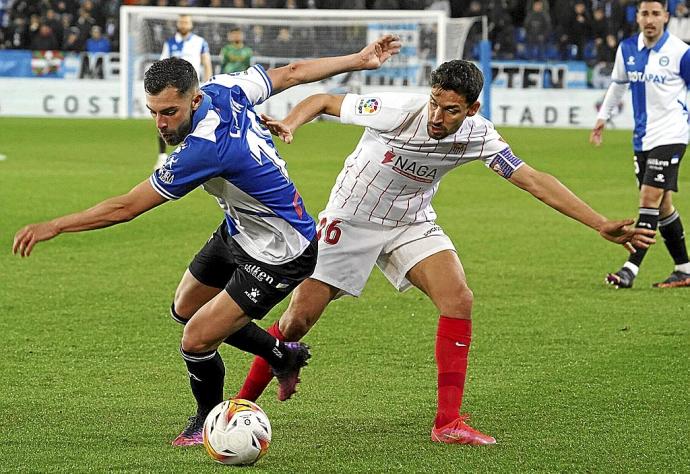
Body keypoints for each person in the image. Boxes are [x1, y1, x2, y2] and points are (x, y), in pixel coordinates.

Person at [234, 59, 657, 446]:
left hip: (411, 222)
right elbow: (323, 99)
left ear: (472, 110)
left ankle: (448, 423)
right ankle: (238, 406)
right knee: (295, 324)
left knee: (458, 298)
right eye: (435, 104)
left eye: (450, 110)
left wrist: (599, 223)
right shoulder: (397, 110)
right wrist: (291, 122)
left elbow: (532, 179)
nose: (437, 117)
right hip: (351, 219)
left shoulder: (479, 134)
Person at [12, 35, 402, 446]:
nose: (161, 124)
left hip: (281, 251)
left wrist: (55, 225)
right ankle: (281, 355)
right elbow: (291, 74)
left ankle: (207, 421)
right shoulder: (225, 88)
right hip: (241, 229)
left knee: (196, 338)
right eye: (153, 112)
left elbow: (126, 207)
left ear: (194, 101)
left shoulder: (204, 149)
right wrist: (359, 59)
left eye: (169, 112)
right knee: (185, 307)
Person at [590, 0, 690, 288]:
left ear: (666, 17)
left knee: (648, 200)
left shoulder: (681, 53)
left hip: (672, 135)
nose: (650, 19)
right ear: (637, 17)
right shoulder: (628, 49)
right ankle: (684, 268)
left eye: (656, 14)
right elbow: (618, 84)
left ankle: (629, 270)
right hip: (643, 138)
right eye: (645, 13)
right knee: (663, 207)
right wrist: (602, 117)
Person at [155, 14, 213, 170]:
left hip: (191, 87)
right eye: (181, 21)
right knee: (164, 119)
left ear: (191, 24)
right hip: (171, 88)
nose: (184, 24)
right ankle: (162, 156)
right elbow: (162, 64)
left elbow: (206, 63)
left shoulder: (199, 42)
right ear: (178, 24)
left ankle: (192, 156)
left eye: (186, 21)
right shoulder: (170, 42)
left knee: (192, 119)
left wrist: (207, 83)